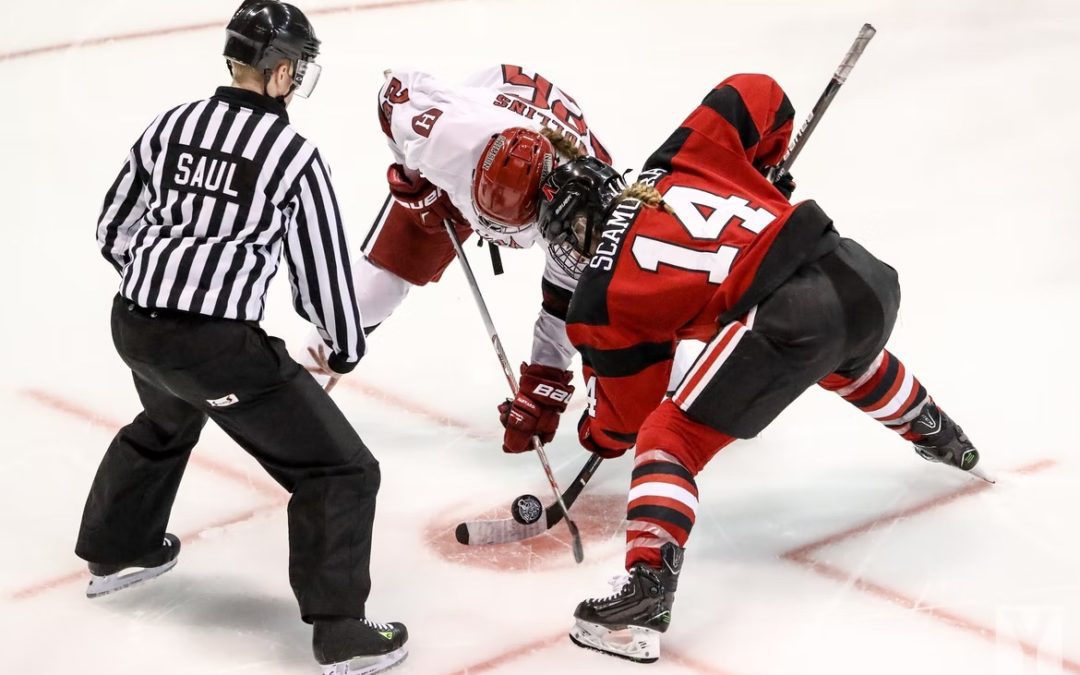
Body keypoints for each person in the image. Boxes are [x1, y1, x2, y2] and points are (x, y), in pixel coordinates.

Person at [529, 73, 985, 663]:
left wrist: (596, 433)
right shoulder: (675, 158)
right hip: (862, 275)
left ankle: (645, 593)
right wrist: (761, 169)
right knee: (840, 355)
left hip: (791, 314)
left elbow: (628, 419)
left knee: (670, 438)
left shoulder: (598, 296)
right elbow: (756, 92)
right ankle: (941, 434)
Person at [79, 3, 406, 673]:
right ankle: (340, 629)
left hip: (134, 323)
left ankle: (119, 547)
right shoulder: (291, 156)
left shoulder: (172, 125)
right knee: (341, 469)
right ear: (281, 70)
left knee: (168, 413)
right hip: (216, 347)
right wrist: (344, 345)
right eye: (298, 69)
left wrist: (160, 286)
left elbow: (114, 227)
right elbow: (320, 277)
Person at [309, 66, 612, 451]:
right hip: (456, 177)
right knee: (369, 296)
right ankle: (299, 380)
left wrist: (543, 382)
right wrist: (414, 178)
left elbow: (561, 305)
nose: (485, 228)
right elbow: (394, 89)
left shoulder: (577, 210)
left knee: (600, 305)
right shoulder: (449, 135)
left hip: (534, 179)